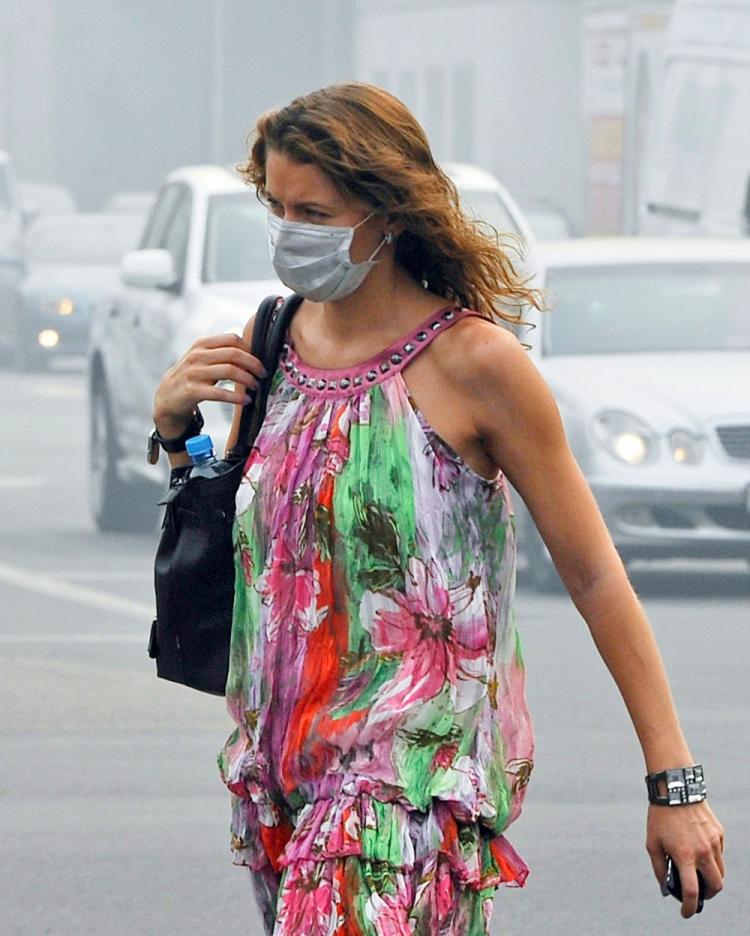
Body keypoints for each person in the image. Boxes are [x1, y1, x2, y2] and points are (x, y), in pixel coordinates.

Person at [151, 82, 725, 935]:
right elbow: (258, 534)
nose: (288, 232)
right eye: (275, 206)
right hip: (283, 772)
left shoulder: (478, 365)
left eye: (313, 211)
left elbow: (596, 574)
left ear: (387, 213)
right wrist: (177, 434)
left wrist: (674, 784)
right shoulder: (273, 336)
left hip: (408, 784)